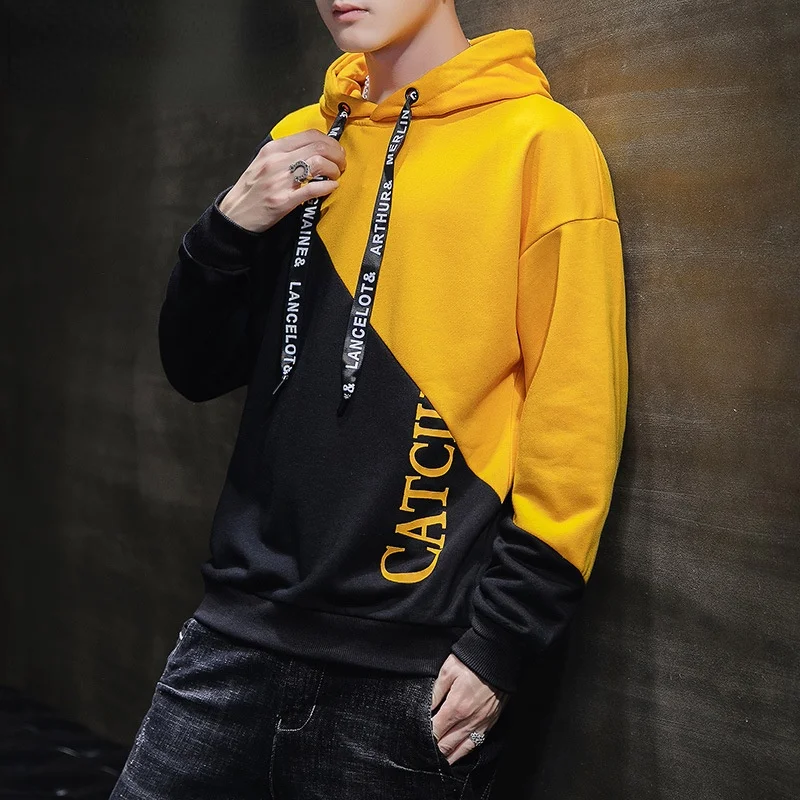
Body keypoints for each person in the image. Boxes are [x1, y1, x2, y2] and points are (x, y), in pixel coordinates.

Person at [109, 1, 628, 798]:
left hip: (410, 673)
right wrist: (226, 228)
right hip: (235, 637)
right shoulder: (302, 142)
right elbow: (197, 369)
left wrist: (502, 643)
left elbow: (576, 417)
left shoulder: (538, 144)